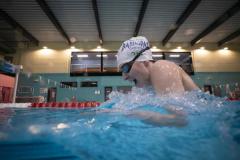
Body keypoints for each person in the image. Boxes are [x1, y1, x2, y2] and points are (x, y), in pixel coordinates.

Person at [115, 36, 199, 127]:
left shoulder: (161, 67)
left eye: (125, 68)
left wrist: (139, 115)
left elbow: (181, 120)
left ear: (144, 61)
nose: (124, 77)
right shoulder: (149, 87)